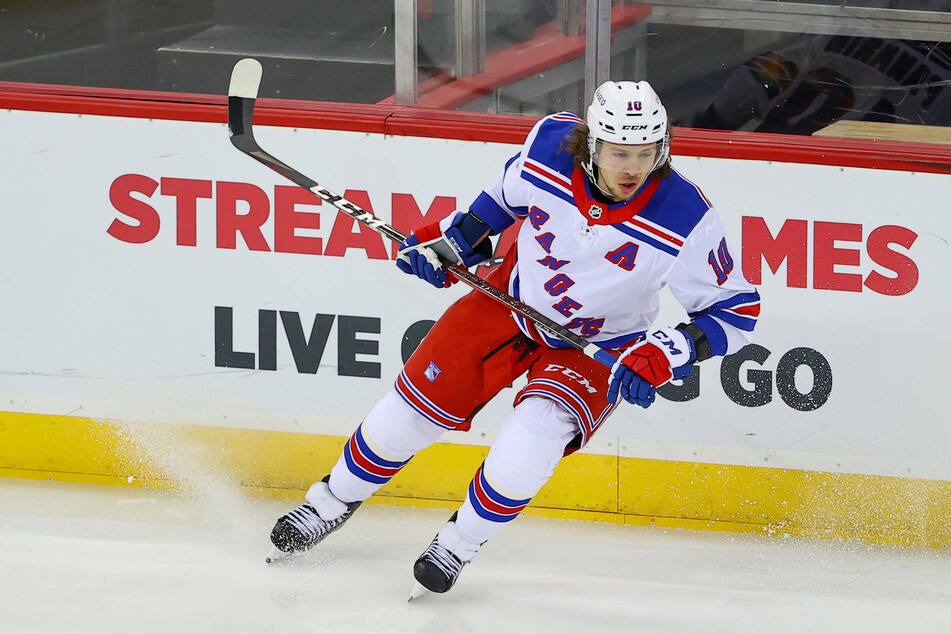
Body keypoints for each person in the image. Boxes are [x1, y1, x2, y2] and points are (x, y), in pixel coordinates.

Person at [266, 80, 761, 597]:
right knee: (402, 418)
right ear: (591, 143)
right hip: (510, 304)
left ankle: (457, 544)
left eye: (646, 153)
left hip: (600, 346)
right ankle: (329, 503)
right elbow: (497, 207)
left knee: (525, 451)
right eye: (619, 153)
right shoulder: (549, 145)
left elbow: (735, 310)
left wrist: (665, 352)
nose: (633, 168)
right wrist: (451, 244)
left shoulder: (686, 215)